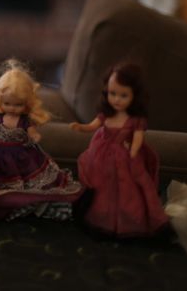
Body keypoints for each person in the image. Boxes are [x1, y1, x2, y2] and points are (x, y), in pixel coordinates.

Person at [0, 59, 83, 220]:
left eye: (18, 105)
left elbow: (31, 131)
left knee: (26, 180)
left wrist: (34, 136)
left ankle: (17, 200)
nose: (12, 108)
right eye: (7, 103)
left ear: (26, 104)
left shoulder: (24, 120)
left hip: (20, 156)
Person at [71, 62, 168, 236]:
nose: (116, 99)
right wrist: (81, 127)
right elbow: (92, 126)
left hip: (125, 156)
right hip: (102, 155)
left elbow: (138, 138)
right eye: (112, 93)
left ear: (134, 96)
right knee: (102, 187)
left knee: (127, 189)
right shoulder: (106, 114)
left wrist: (133, 151)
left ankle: (128, 221)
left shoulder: (135, 119)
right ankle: (102, 219)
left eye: (123, 95)